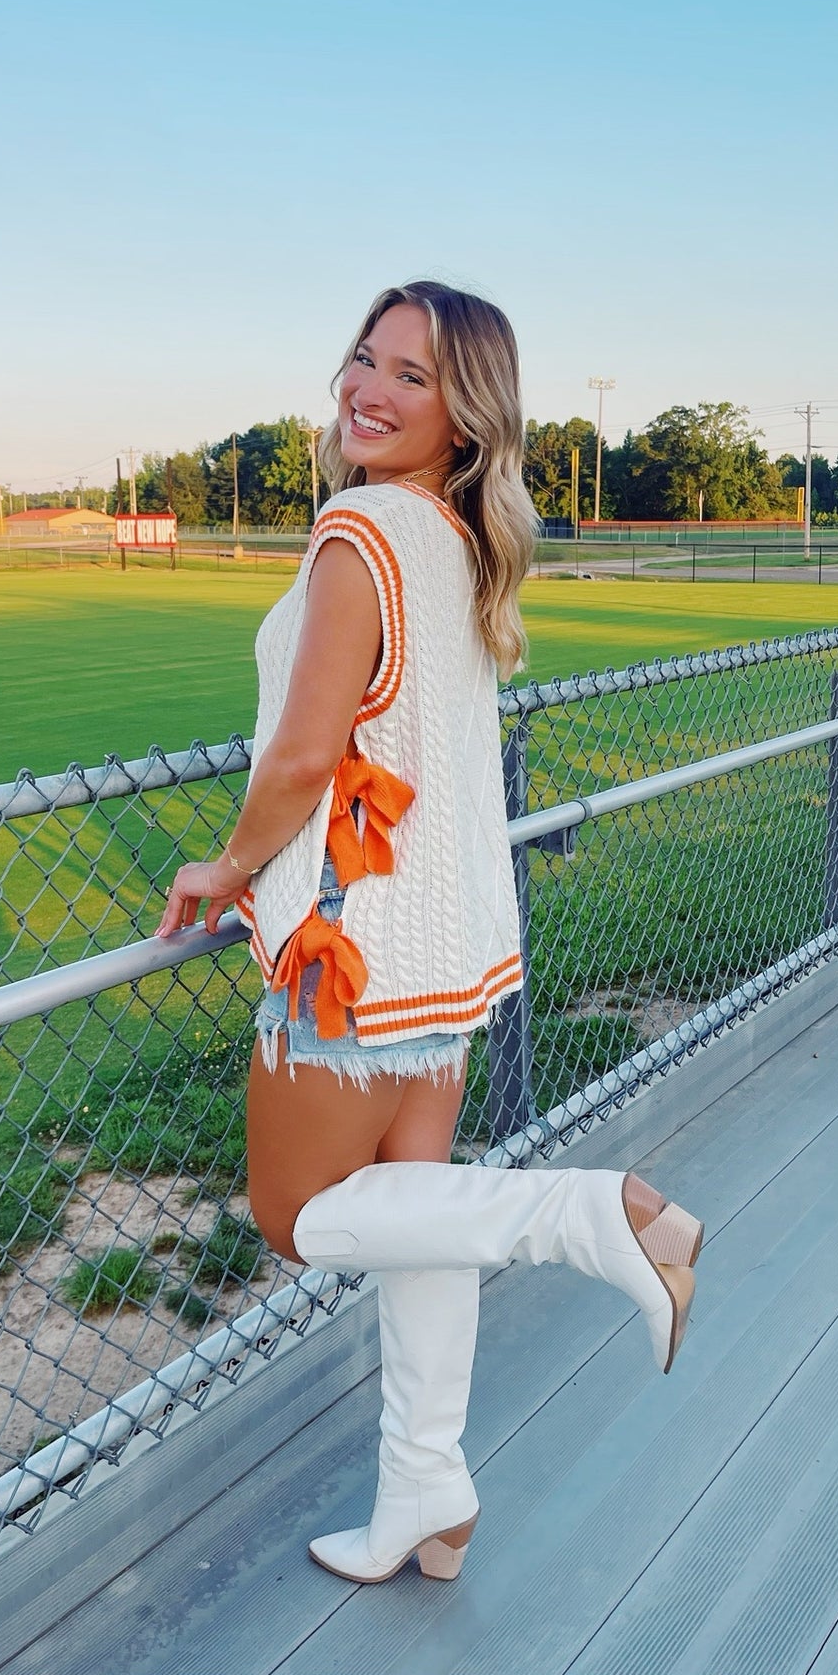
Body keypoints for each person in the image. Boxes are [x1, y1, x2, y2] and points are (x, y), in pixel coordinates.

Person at [157, 282, 701, 1585]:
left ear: (465, 418)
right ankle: (428, 1497)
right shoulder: (457, 542)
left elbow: (298, 761)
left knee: (298, 1215)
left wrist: (224, 870)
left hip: (353, 955)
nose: (370, 388)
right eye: (364, 358)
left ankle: (601, 1222)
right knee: (420, 1222)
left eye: (411, 375)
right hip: (449, 946)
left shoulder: (358, 535)